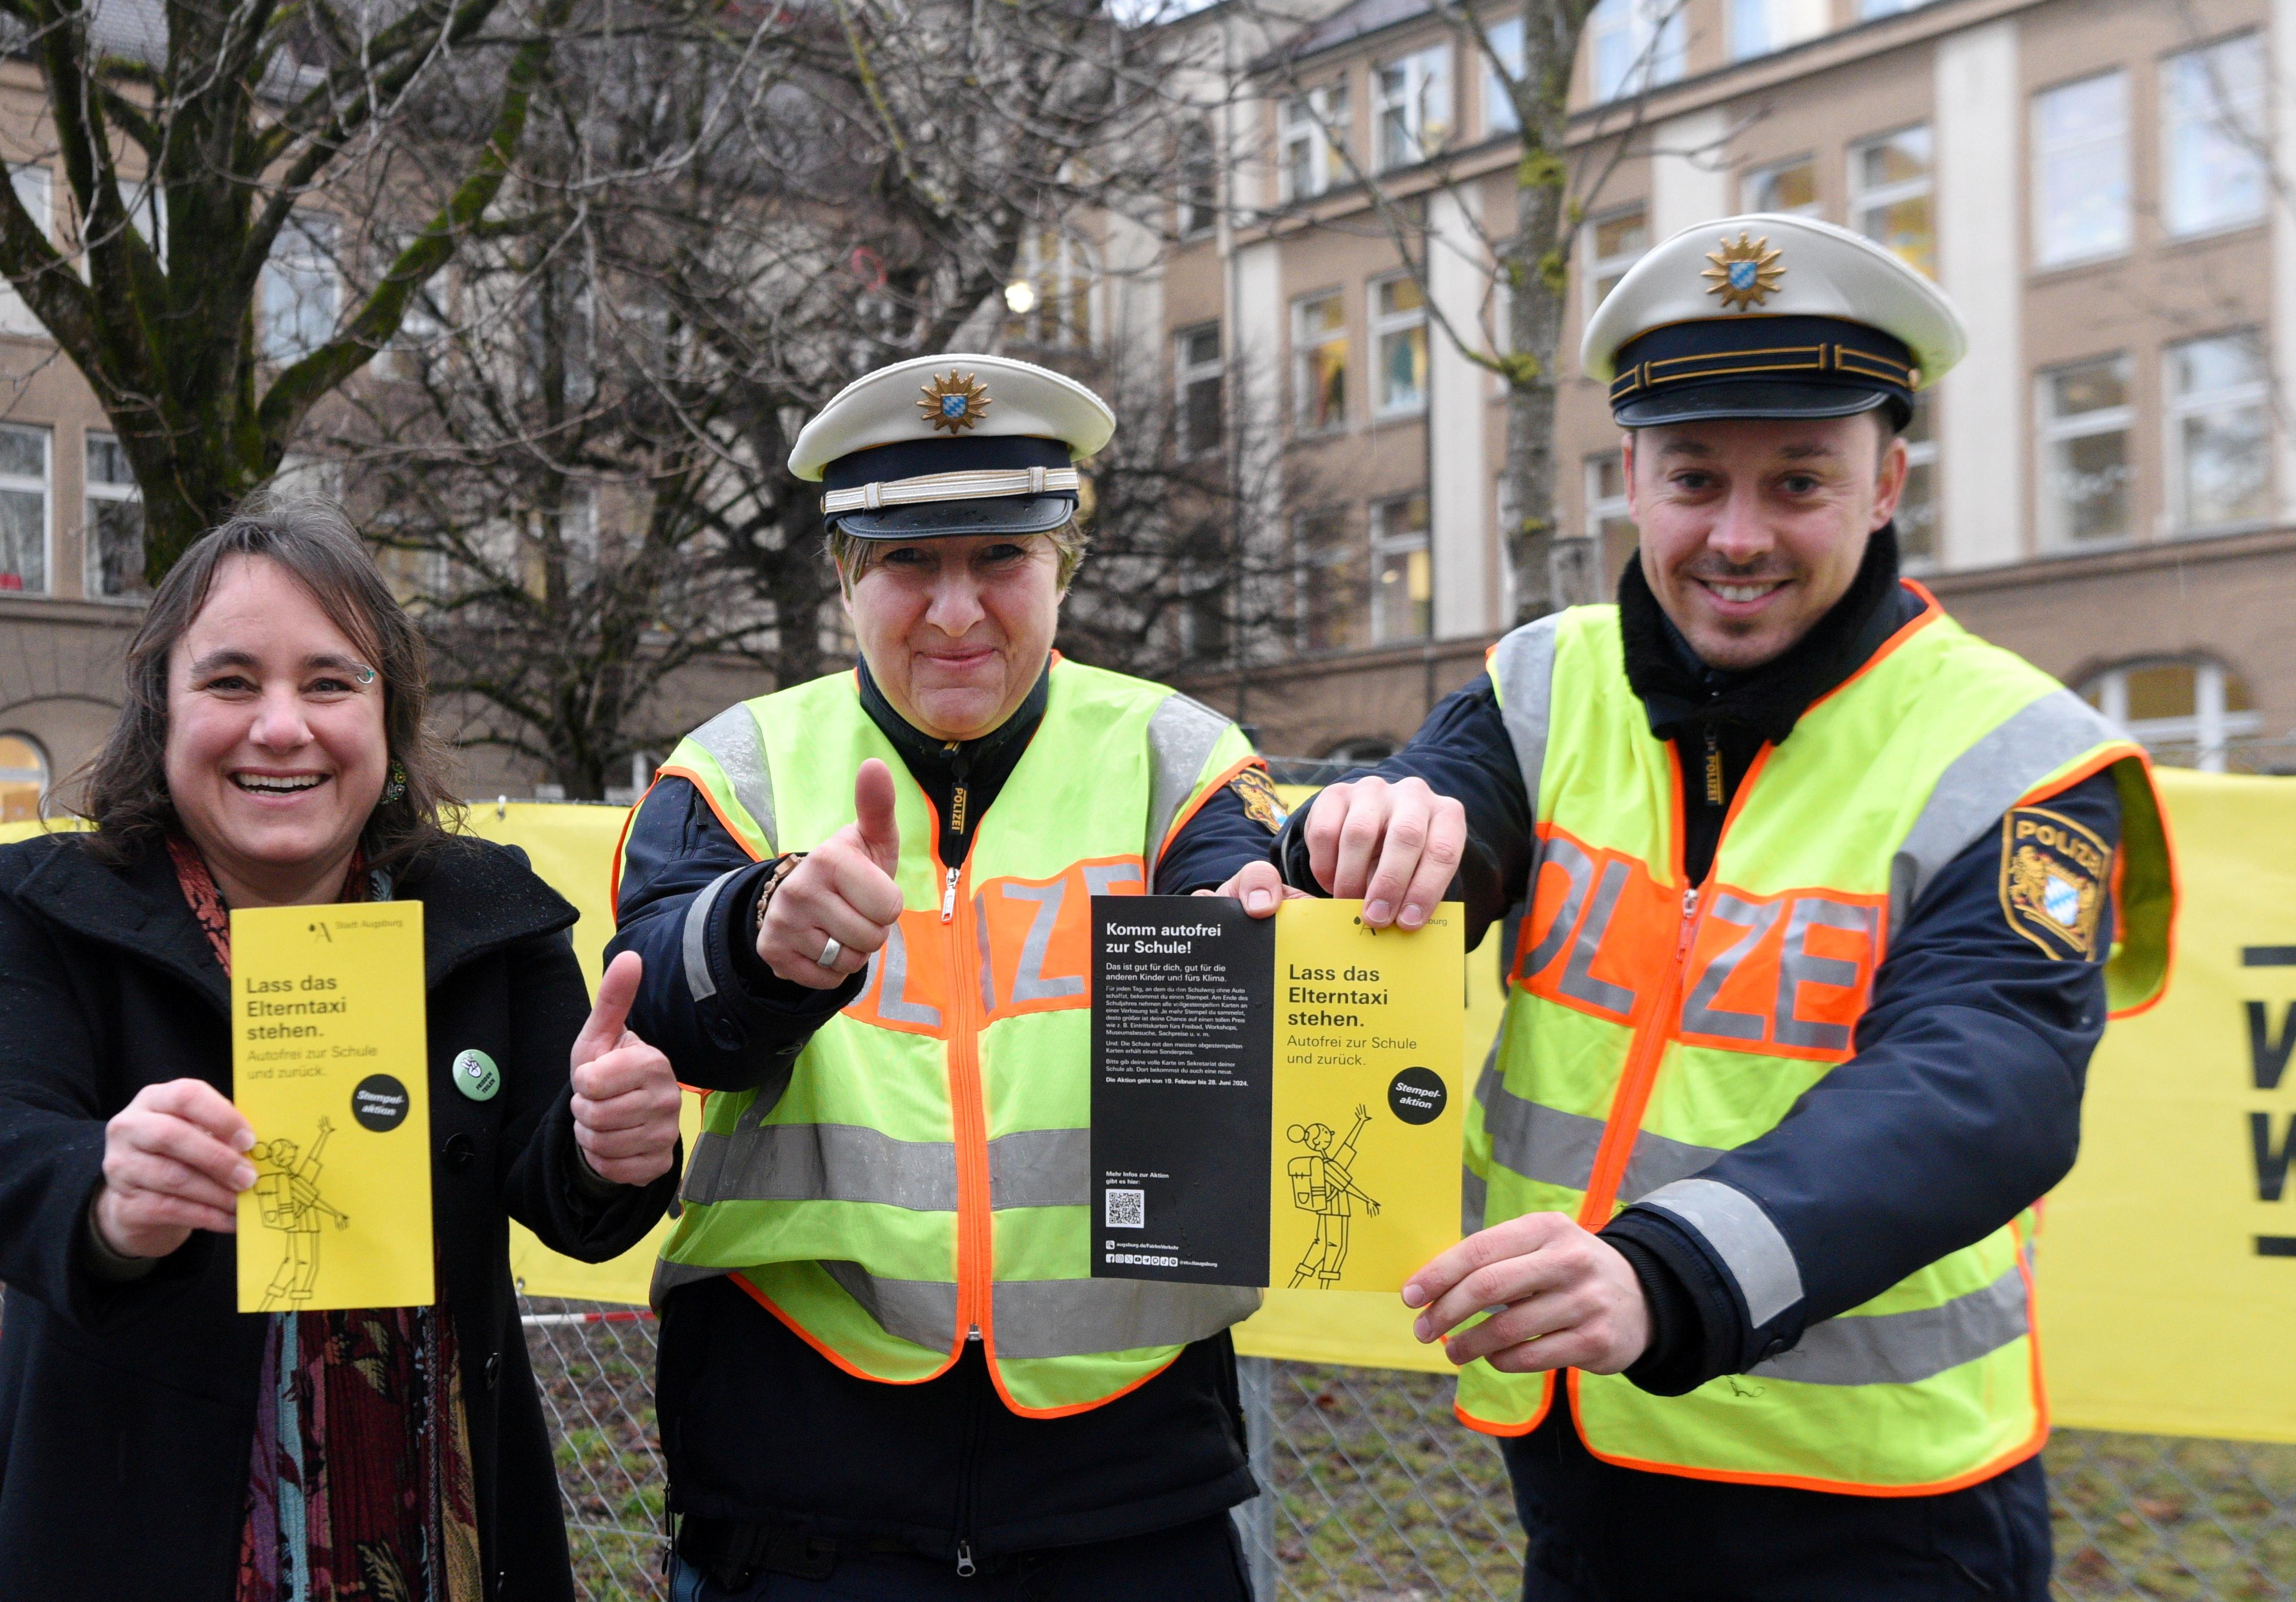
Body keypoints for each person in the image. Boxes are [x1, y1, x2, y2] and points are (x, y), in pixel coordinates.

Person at [1277, 215, 2178, 1599]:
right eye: (1694, 478)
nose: (1737, 536)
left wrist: (1673, 1268)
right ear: (1629, 479)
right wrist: (1337, 847)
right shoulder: (1544, 681)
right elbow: (1422, 838)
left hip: (1878, 1507)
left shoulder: (2017, 751)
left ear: (1888, 485)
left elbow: (1981, 1084)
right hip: (1589, 1465)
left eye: (1800, 482)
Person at [0, 501, 685, 1601]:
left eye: (330, 682)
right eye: (229, 682)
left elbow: (564, 1189)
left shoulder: (488, 918)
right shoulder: (52, 911)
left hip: (439, 1542)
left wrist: (616, 1146)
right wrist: (104, 1193)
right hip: (131, 1532)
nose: (282, 727)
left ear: (388, 712)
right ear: (160, 712)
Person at [611, 354, 1295, 1598]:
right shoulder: (735, 764)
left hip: (1128, 1491)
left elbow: (1245, 884)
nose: (957, 612)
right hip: (805, 1492)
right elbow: (653, 995)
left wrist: (1265, 912)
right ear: (844, 575)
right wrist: (760, 938)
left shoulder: (1176, 755)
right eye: (909, 564)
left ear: (1064, 565)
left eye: (1001, 559)